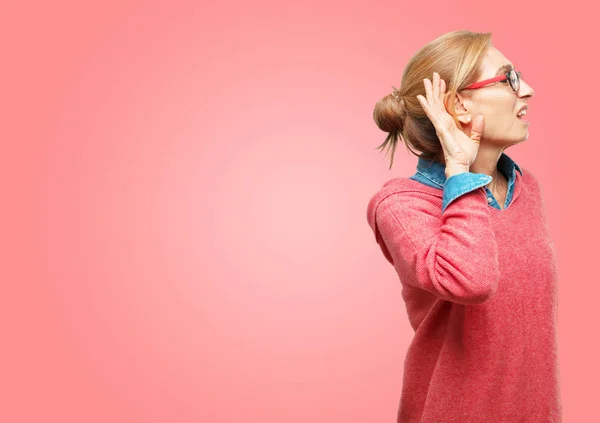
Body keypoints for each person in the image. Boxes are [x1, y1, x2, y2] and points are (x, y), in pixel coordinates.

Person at [366, 30, 562, 422]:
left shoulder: (527, 189)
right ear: (458, 105)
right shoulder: (402, 205)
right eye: (508, 78)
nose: (528, 91)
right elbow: (471, 282)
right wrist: (459, 170)